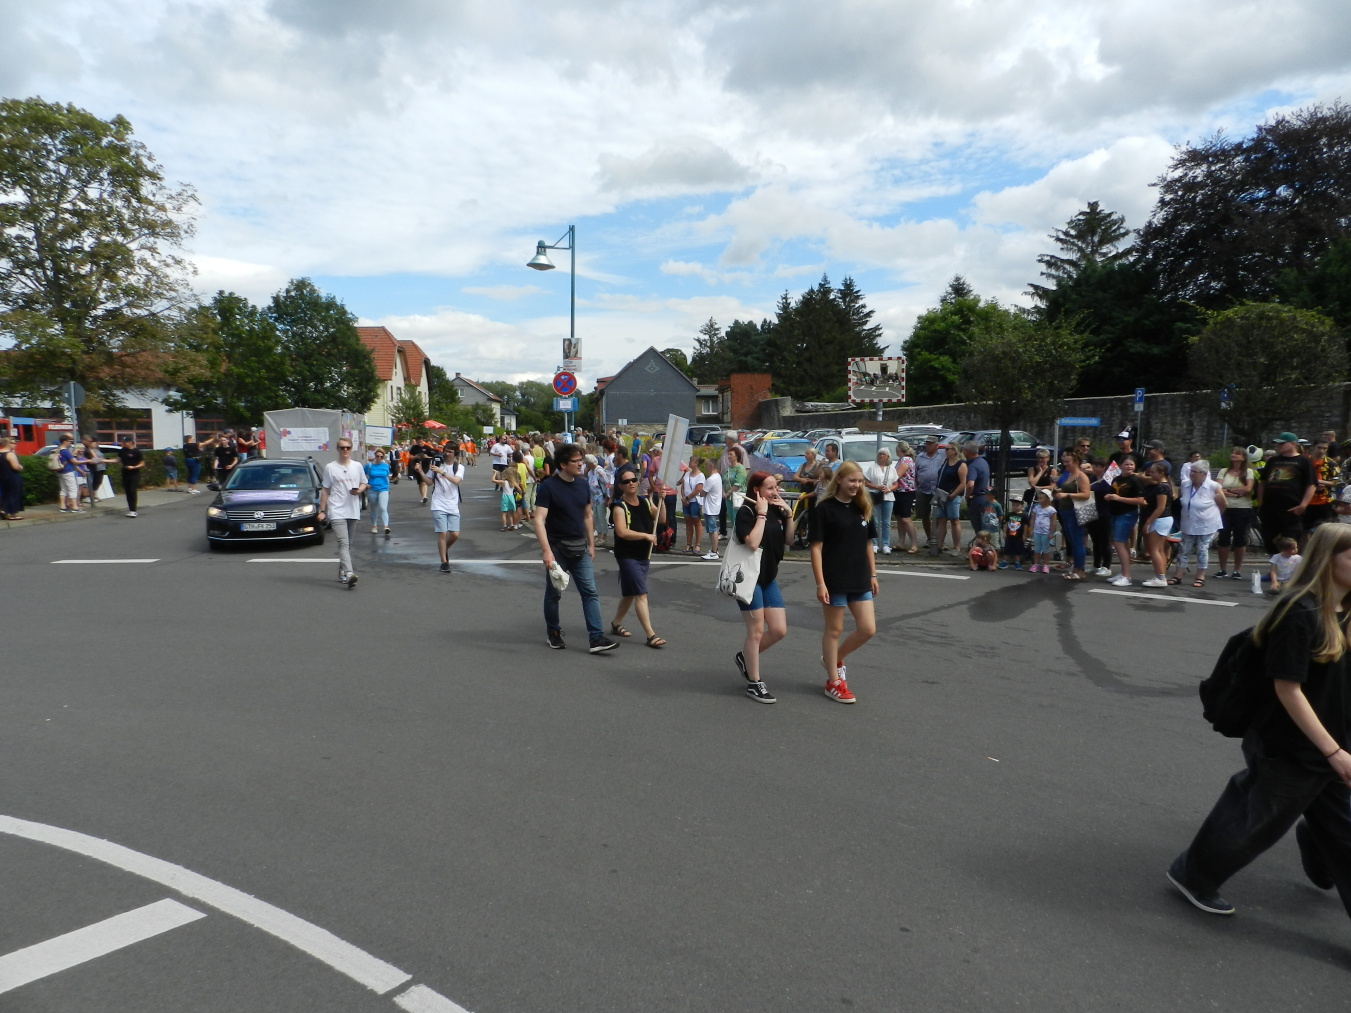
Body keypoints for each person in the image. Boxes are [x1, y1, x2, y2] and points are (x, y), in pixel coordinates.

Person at [1166, 523, 1351, 921]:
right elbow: (1288, 690)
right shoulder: (1299, 613)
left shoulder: (1347, 611)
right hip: (1291, 744)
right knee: (1253, 821)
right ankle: (1192, 875)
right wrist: (1333, 751)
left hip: (1335, 742)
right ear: (1327, 560)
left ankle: (1319, 843)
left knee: (1345, 825)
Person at [533, 444, 617, 653]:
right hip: (557, 549)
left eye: (581, 460)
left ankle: (596, 638)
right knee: (554, 594)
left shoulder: (582, 485)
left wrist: (591, 544)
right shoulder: (548, 487)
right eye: (575, 461)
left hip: (580, 548)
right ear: (563, 464)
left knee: (590, 592)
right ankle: (553, 633)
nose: (580, 464)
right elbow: (539, 519)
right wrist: (546, 551)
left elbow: (587, 515)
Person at [811, 461, 878, 704]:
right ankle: (833, 682)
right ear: (839, 479)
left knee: (868, 629)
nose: (856, 485)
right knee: (834, 630)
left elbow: (868, 544)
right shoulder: (824, 509)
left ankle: (832, 659)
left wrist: (873, 574)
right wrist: (820, 583)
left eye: (860, 481)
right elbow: (816, 548)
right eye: (852, 480)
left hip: (859, 576)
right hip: (834, 578)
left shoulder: (863, 507)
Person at [732, 471, 794, 704]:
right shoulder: (746, 512)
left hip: (768, 577)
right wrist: (761, 514)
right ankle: (754, 683)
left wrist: (789, 515)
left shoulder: (775, 509)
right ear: (757, 490)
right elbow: (752, 543)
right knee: (756, 631)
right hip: (748, 578)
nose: (775, 492)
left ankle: (745, 657)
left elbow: (789, 541)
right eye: (770, 488)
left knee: (778, 630)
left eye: (776, 487)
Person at [609, 469, 666, 648]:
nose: (631, 483)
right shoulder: (619, 507)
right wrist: (645, 535)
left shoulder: (645, 501)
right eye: (626, 481)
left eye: (633, 480)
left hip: (643, 555)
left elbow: (661, 519)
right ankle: (650, 635)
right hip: (627, 556)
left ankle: (616, 624)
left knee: (629, 594)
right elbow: (621, 532)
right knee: (641, 593)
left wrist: (662, 500)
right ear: (621, 486)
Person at [317, 437, 367, 588]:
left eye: (347, 447)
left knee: (348, 544)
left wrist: (359, 490)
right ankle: (350, 573)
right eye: (342, 447)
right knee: (343, 543)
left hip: (353, 509)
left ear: (351, 449)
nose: (345, 450)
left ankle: (342, 572)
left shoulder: (357, 466)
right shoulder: (330, 467)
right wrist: (322, 510)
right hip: (337, 509)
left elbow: (364, 483)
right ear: (337, 449)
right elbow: (325, 490)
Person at [1171, 461, 1226, 587]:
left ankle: (1200, 576)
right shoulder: (1185, 484)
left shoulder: (1213, 486)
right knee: (1184, 549)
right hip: (1188, 522)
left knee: (1202, 549)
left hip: (1206, 524)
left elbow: (1223, 504)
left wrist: (1214, 516)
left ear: (1204, 474)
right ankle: (1178, 575)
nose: (1192, 474)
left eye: (1195, 472)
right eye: (1191, 471)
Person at [1260, 433, 1316, 553]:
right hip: (1270, 508)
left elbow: (1311, 485)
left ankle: (1290, 564)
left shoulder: (1304, 461)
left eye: (1282, 443)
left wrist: (1303, 505)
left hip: (1291, 508)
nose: (1279, 446)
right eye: (1278, 444)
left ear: (1293, 444)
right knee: (1269, 539)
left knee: (1290, 541)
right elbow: (1262, 482)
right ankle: (1274, 562)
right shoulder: (1273, 460)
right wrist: (1261, 502)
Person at [1104, 457, 1147, 586]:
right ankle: (1123, 572)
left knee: (1118, 542)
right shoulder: (1116, 479)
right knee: (1123, 543)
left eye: (1131, 464)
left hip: (1127, 514)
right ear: (1120, 465)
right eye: (1126, 464)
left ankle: (1126, 576)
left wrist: (1118, 498)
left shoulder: (1135, 480)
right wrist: (1109, 497)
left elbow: (1140, 500)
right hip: (1115, 513)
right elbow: (1112, 493)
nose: (1129, 467)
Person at [1216, 448, 1256, 580]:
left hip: (1242, 508)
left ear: (1243, 458)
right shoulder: (1223, 471)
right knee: (1223, 538)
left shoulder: (1248, 472)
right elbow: (1217, 489)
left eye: (1237, 454)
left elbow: (1248, 488)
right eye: (1232, 453)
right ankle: (1222, 569)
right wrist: (1236, 492)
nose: (1233, 455)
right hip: (1225, 507)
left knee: (1240, 539)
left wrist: (1227, 490)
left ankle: (1236, 570)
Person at [1052, 450, 1091, 581]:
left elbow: (1086, 494)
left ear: (1076, 462)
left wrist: (1067, 495)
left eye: (1068, 461)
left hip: (1074, 512)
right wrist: (1059, 491)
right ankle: (1075, 569)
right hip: (1065, 511)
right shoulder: (1069, 474)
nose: (1065, 464)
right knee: (1072, 542)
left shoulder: (1081, 476)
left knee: (1078, 542)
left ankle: (1080, 570)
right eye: (1064, 461)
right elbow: (1067, 488)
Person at [1139, 462, 1175, 588]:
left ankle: (1160, 577)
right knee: (1159, 549)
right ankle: (1160, 575)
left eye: (1153, 472)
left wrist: (1148, 522)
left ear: (1161, 473)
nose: (1151, 474)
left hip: (1160, 519)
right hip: (1164, 519)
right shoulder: (1164, 486)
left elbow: (1160, 507)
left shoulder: (1161, 487)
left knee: (1154, 549)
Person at [428, 449, 464, 572]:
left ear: (455, 454)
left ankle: (444, 549)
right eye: (446, 451)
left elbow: (456, 481)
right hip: (438, 504)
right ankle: (444, 562)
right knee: (442, 533)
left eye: (450, 451)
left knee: (455, 534)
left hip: (452, 505)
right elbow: (429, 482)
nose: (447, 454)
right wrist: (420, 471)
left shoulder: (459, 467)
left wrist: (442, 472)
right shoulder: (437, 465)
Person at [933, 440, 968, 556]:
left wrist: (953, 494)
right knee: (941, 519)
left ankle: (956, 547)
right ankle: (939, 545)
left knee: (954, 520)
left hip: (953, 495)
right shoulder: (945, 462)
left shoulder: (961, 464)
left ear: (955, 451)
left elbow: (963, 483)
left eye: (948, 449)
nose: (946, 451)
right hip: (941, 494)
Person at [863, 447, 898, 554]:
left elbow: (896, 484)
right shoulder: (872, 467)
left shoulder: (891, 469)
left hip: (888, 496)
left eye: (884, 454)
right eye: (880, 454)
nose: (882, 456)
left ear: (888, 456)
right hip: (875, 496)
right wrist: (877, 487)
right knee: (875, 520)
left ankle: (886, 544)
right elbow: (866, 482)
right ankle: (874, 544)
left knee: (886, 522)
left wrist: (889, 489)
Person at [913, 434, 944, 551]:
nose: (928, 446)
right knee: (924, 515)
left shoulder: (942, 456)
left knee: (940, 515)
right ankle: (930, 537)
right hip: (923, 489)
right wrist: (917, 485)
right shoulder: (920, 457)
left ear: (936, 445)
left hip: (938, 489)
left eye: (930, 444)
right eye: (927, 444)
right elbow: (915, 473)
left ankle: (938, 538)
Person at [1084, 458, 1114, 577]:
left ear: (1103, 467)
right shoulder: (1091, 479)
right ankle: (1096, 565)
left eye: (1097, 466)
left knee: (1105, 540)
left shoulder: (1109, 480)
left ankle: (1107, 566)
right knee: (1095, 540)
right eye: (1093, 466)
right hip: (1092, 511)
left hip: (1105, 513)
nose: (1094, 468)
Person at [1305, 438, 1337, 531]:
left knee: (1326, 530)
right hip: (1306, 501)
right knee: (1304, 530)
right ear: (1313, 447)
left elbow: (1337, 482)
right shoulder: (1305, 461)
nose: (1321, 451)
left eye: (1324, 448)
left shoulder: (1331, 463)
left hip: (1325, 501)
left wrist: (1320, 482)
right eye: (1319, 447)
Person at [962, 442, 993, 539]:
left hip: (976, 498)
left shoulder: (972, 466)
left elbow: (970, 484)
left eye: (963, 450)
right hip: (985, 497)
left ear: (967, 451)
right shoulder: (983, 462)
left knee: (979, 528)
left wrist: (967, 496)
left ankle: (981, 545)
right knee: (986, 526)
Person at [893, 441, 919, 553]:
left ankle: (914, 544)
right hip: (899, 491)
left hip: (906, 491)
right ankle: (901, 542)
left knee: (905, 518)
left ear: (899, 449)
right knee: (899, 517)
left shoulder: (905, 460)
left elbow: (896, 475)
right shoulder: (901, 460)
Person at [113, 437, 145, 517]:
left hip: (134, 473)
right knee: (127, 491)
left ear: (130, 442)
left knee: (132, 490)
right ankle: (131, 510)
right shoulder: (122, 450)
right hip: (125, 472)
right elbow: (117, 460)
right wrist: (103, 460)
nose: (124, 443)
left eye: (125, 442)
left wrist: (134, 467)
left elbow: (142, 463)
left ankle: (133, 510)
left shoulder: (137, 451)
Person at [700, 459, 723, 560]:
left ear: (712, 466)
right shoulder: (717, 476)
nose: (705, 467)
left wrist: (701, 489)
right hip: (713, 506)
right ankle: (714, 549)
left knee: (712, 530)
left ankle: (714, 552)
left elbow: (702, 493)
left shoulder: (711, 479)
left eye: (707, 465)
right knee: (711, 530)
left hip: (710, 508)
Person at [1029, 488, 1057, 573]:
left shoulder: (1051, 510)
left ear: (1047, 499)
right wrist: (1032, 529)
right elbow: (1033, 519)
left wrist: (1052, 532)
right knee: (1037, 548)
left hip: (1046, 532)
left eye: (1041, 498)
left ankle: (1046, 564)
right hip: (1037, 532)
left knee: (1045, 549)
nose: (1039, 500)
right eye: (1038, 498)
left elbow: (1053, 522)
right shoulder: (1036, 508)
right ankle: (1036, 564)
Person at [365, 448, 392, 536]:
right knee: (374, 508)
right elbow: (361, 475)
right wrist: (365, 484)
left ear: (383, 457)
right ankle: (374, 526)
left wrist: (389, 488)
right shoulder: (369, 466)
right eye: (377, 456)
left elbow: (387, 476)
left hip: (383, 489)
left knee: (383, 508)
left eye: (381, 456)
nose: (379, 458)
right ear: (375, 456)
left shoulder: (385, 466)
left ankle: (386, 526)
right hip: (372, 489)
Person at [54, 435, 82, 513]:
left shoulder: (58, 449)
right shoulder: (65, 451)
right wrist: (87, 461)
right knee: (73, 488)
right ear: (64, 441)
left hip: (60, 471)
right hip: (67, 471)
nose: (70, 443)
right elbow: (75, 461)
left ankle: (62, 506)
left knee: (63, 489)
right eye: (69, 441)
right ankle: (75, 507)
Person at [680, 463, 704, 554]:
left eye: (691, 461)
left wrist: (687, 498)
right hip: (686, 501)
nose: (689, 463)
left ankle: (698, 544)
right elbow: (683, 486)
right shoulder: (687, 474)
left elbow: (698, 489)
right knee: (688, 521)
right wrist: (683, 497)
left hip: (695, 501)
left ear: (696, 463)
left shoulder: (700, 476)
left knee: (696, 521)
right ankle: (688, 544)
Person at [81, 435, 110, 505]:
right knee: (86, 483)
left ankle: (91, 496)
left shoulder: (88, 448)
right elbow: (80, 458)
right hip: (87, 468)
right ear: (84, 441)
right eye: (89, 441)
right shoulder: (82, 448)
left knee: (92, 482)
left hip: (93, 467)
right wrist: (90, 460)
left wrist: (96, 460)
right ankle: (85, 497)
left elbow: (95, 457)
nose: (90, 443)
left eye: (91, 441)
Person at [0, 437, 24, 520]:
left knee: (5, 494)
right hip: (12, 476)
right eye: (13, 443)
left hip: (2, 476)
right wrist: (20, 467)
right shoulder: (10, 454)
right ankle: (12, 513)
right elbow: (15, 466)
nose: (15, 445)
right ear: (8, 444)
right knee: (14, 494)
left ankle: (4, 510)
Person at [493, 464, 520, 530]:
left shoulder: (504, 482)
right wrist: (520, 494)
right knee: (510, 513)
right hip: (511, 497)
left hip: (505, 497)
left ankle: (505, 526)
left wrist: (495, 473)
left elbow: (493, 480)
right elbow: (519, 489)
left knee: (504, 513)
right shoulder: (513, 482)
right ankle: (512, 525)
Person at [999, 505, 1025, 570]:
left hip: (1019, 536)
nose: (1015, 507)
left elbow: (1025, 526)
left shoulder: (1024, 516)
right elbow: (1006, 524)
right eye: (1013, 505)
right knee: (1007, 549)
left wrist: (1025, 535)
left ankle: (1017, 563)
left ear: (1022, 506)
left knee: (1018, 550)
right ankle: (1005, 562)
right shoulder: (1010, 514)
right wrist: (1004, 532)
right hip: (1009, 535)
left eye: (1017, 505)